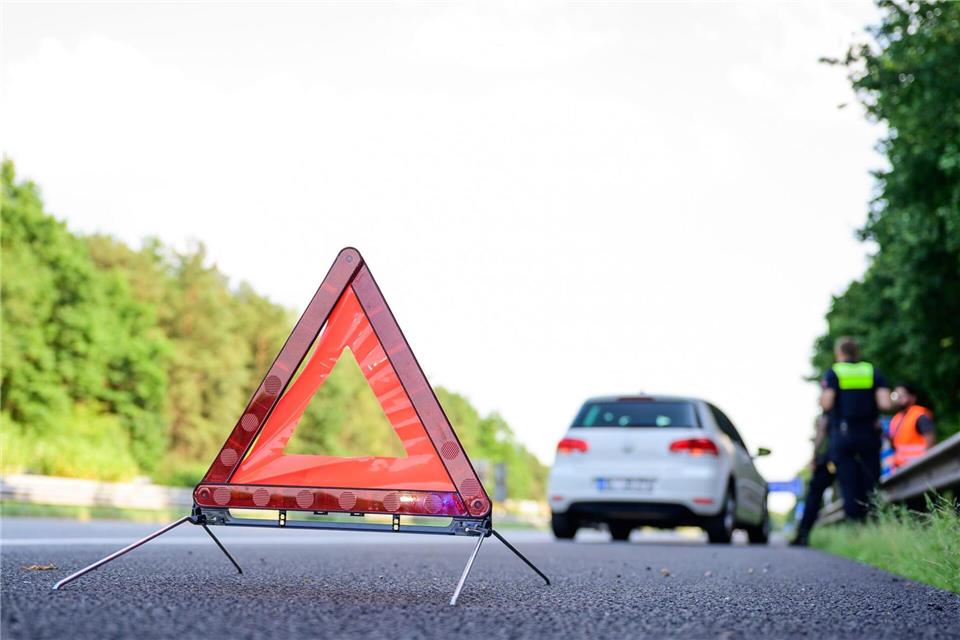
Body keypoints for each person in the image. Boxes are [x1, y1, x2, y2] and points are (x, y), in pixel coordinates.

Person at [819, 337, 892, 521]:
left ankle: (855, 526)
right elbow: (885, 403)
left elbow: (827, 404)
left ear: (839, 353)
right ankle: (873, 521)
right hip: (869, 434)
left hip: (843, 435)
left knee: (848, 482)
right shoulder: (871, 371)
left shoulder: (834, 372)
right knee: (871, 480)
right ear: (857, 352)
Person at [791, 414, 834, 546]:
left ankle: (803, 534)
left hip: (828, 458)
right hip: (847, 453)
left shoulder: (827, 414)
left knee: (814, 495)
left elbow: (821, 430)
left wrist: (814, 456)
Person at [888, 383, 936, 471]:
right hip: (900, 469)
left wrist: (928, 462)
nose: (899, 398)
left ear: (912, 397)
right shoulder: (894, 420)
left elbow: (930, 440)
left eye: (902, 395)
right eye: (896, 395)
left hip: (918, 467)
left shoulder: (919, 415)